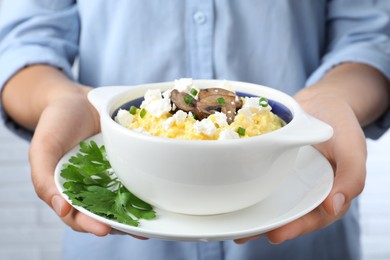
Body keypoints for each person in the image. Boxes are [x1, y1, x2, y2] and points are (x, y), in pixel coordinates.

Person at [1, 1, 390, 259]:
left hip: (299, 217)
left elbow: (371, 38)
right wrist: (58, 97)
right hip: (115, 241)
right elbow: (23, 42)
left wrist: (334, 97)